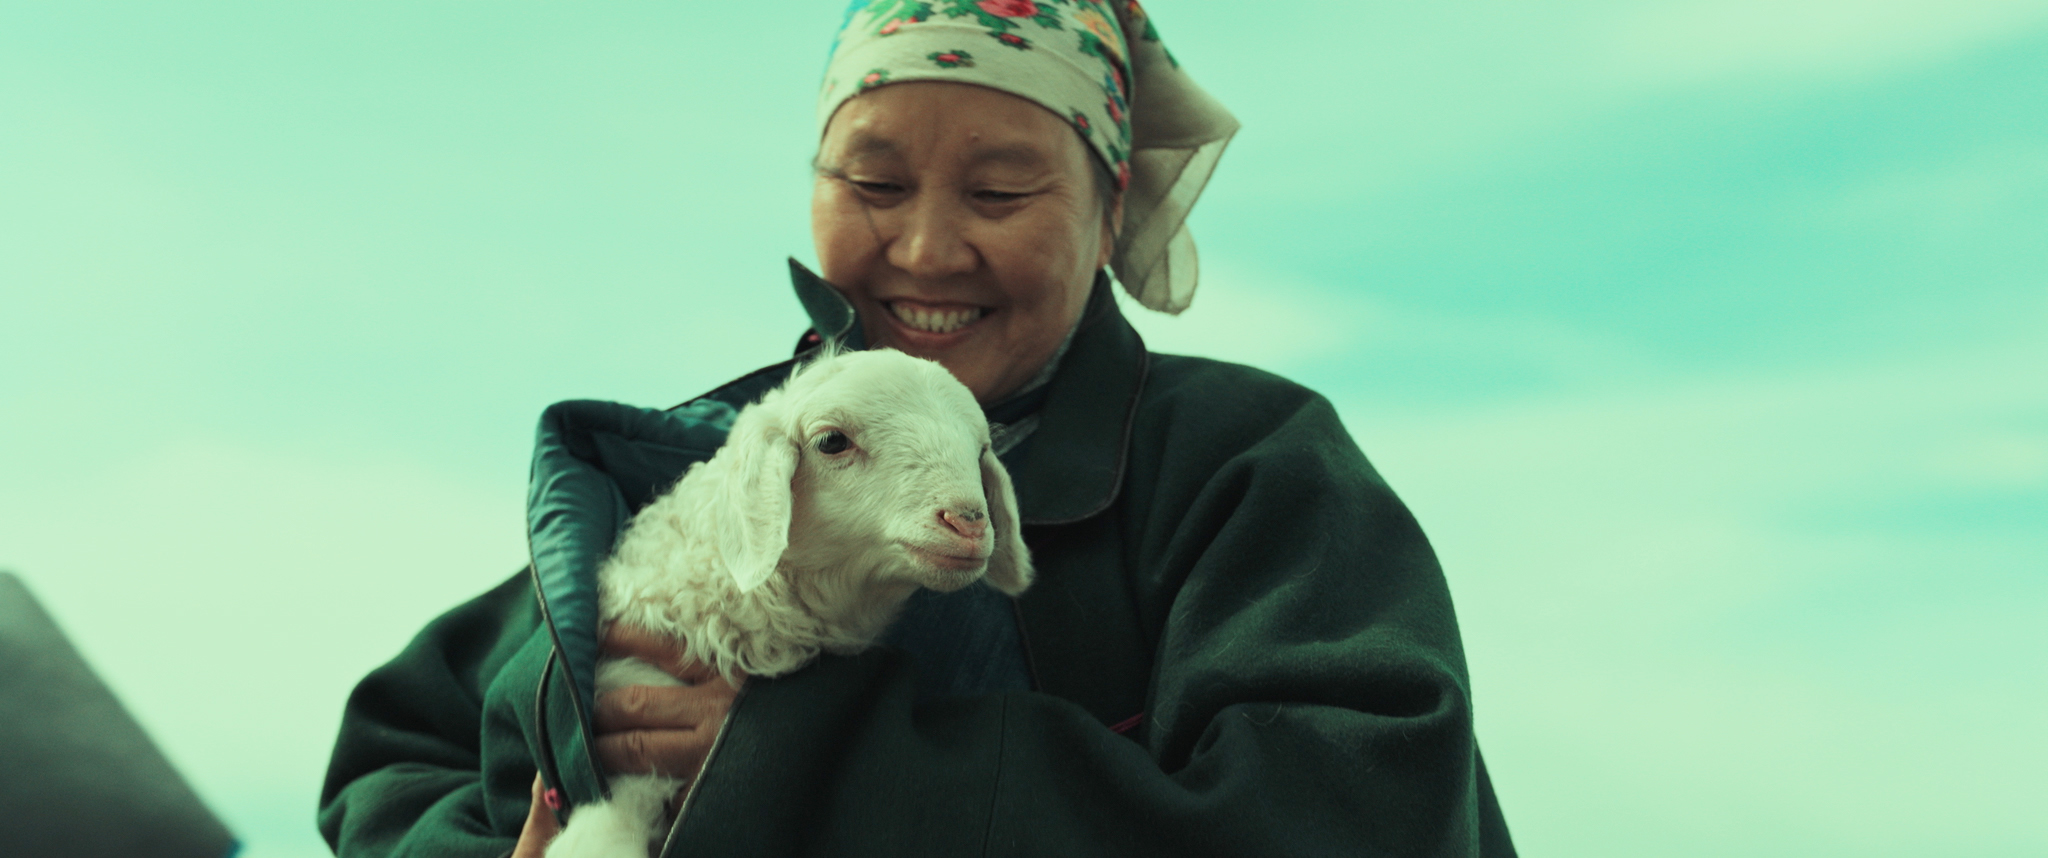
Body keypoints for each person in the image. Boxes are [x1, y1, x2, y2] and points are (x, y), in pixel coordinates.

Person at [320, 2, 1516, 856]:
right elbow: (393, 749)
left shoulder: (1242, 465)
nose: (930, 251)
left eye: (999, 193)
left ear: (1108, 213)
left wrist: (809, 756)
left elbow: (1360, 815)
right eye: (873, 185)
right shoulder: (710, 471)